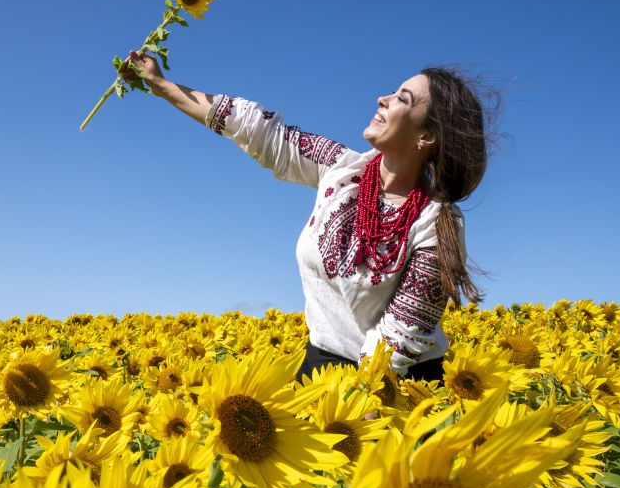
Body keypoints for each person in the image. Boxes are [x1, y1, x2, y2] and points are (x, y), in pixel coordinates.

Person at [121, 51, 490, 382]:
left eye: (401, 99)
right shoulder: (343, 170)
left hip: (402, 385)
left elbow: (401, 337)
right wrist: (162, 84)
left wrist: (357, 407)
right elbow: (256, 128)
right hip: (321, 369)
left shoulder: (437, 222)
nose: (383, 98)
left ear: (426, 136)